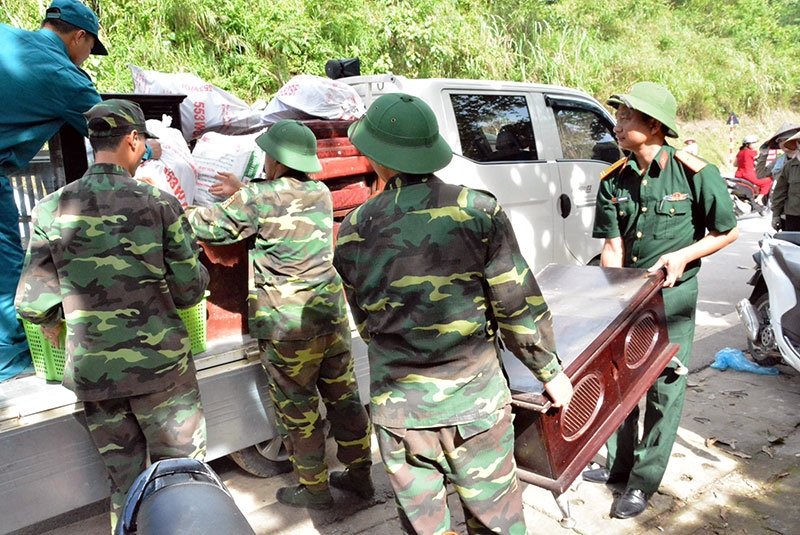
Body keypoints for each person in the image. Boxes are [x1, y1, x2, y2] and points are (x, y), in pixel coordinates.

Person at [333, 93, 574, 535]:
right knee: (496, 523)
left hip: (401, 417)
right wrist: (549, 371)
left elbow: (367, 325)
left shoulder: (353, 230)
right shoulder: (478, 211)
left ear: (377, 157)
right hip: (475, 406)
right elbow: (516, 306)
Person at [15, 99, 209, 533]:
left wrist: (54, 324)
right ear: (132, 140)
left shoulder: (51, 209)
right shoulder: (159, 204)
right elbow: (189, 290)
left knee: (126, 484)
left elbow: (31, 302)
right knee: (181, 481)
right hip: (162, 374)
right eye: (142, 146)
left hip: (97, 378)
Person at [186, 120, 374, 510]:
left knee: (298, 407)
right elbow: (276, 201)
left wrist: (174, 207)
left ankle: (315, 489)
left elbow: (212, 227)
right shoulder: (319, 192)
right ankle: (361, 478)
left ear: (275, 158)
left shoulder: (257, 198)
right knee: (345, 400)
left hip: (287, 325)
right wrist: (245, 192)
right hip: (330, 318)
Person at [585, 82, 738, 519]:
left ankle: (643, 481)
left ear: (653, 125)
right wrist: (608, 297)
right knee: (620, 383)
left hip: (673, 300)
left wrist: (683, 255)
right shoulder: (613, 180)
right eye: (618, 117)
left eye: (626, 117)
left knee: (664, 388)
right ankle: (618, 466)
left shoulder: (694, 173)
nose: (617, 125)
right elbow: (612, 245)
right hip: (628, 298)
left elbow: (727, 231)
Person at [0, 0, 106, 381]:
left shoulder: (6, 35)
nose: (87, 58)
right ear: (79, 36)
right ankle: (9, 360)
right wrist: (155, 145)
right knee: (5, 262)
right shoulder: (64, 76)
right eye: (90, 48)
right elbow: (110, 129)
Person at [772, 129, 800, 231]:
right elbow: (780, 192)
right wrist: (776, 215)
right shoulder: (789, 167)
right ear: (797, 144)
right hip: (794, 217)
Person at [734, 134, 771, 206]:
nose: (756, 145)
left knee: (756, 184)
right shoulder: (752, 152)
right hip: (748, 174)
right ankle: (758, 199)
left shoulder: (740, 152)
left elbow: (735, 164)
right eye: (754, 143)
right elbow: (760, 160)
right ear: (748, 144)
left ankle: (755, 197)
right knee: (767, 181)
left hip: (738, 174)